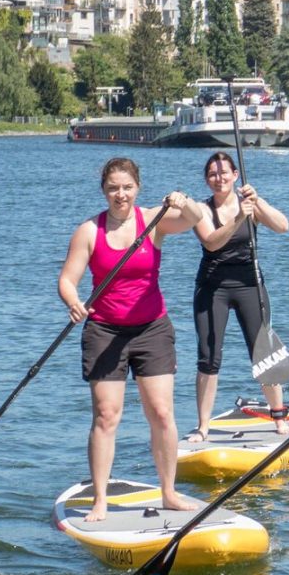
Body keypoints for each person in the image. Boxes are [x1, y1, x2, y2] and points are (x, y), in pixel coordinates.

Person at [57, 156, 202, 522]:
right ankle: (101, 499)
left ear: (137, 187)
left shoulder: (154, 220)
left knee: (162, 413)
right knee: (106, 416)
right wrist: (74, 303)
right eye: (112, 188)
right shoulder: (89, 231)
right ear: (104, 191)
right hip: (104, 330)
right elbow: (67, 281)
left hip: (151, 328)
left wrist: (184, 202)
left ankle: (169, 492)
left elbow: (196, 220)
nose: (120, 194)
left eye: (127, 187)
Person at [188, 151, 289, 442]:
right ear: (207, 180)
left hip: (249, 286)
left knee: (264, 352)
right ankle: (202, 427)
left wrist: (257, 204)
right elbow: (211, 243)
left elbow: (283, 226)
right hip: (213, 287)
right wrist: (236, 220)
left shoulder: (250, 202)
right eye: (212, 174)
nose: (218, 178)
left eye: (223, 173)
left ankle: (278, 415)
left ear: (235, 175)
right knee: (209, 356)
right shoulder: (200, 209)